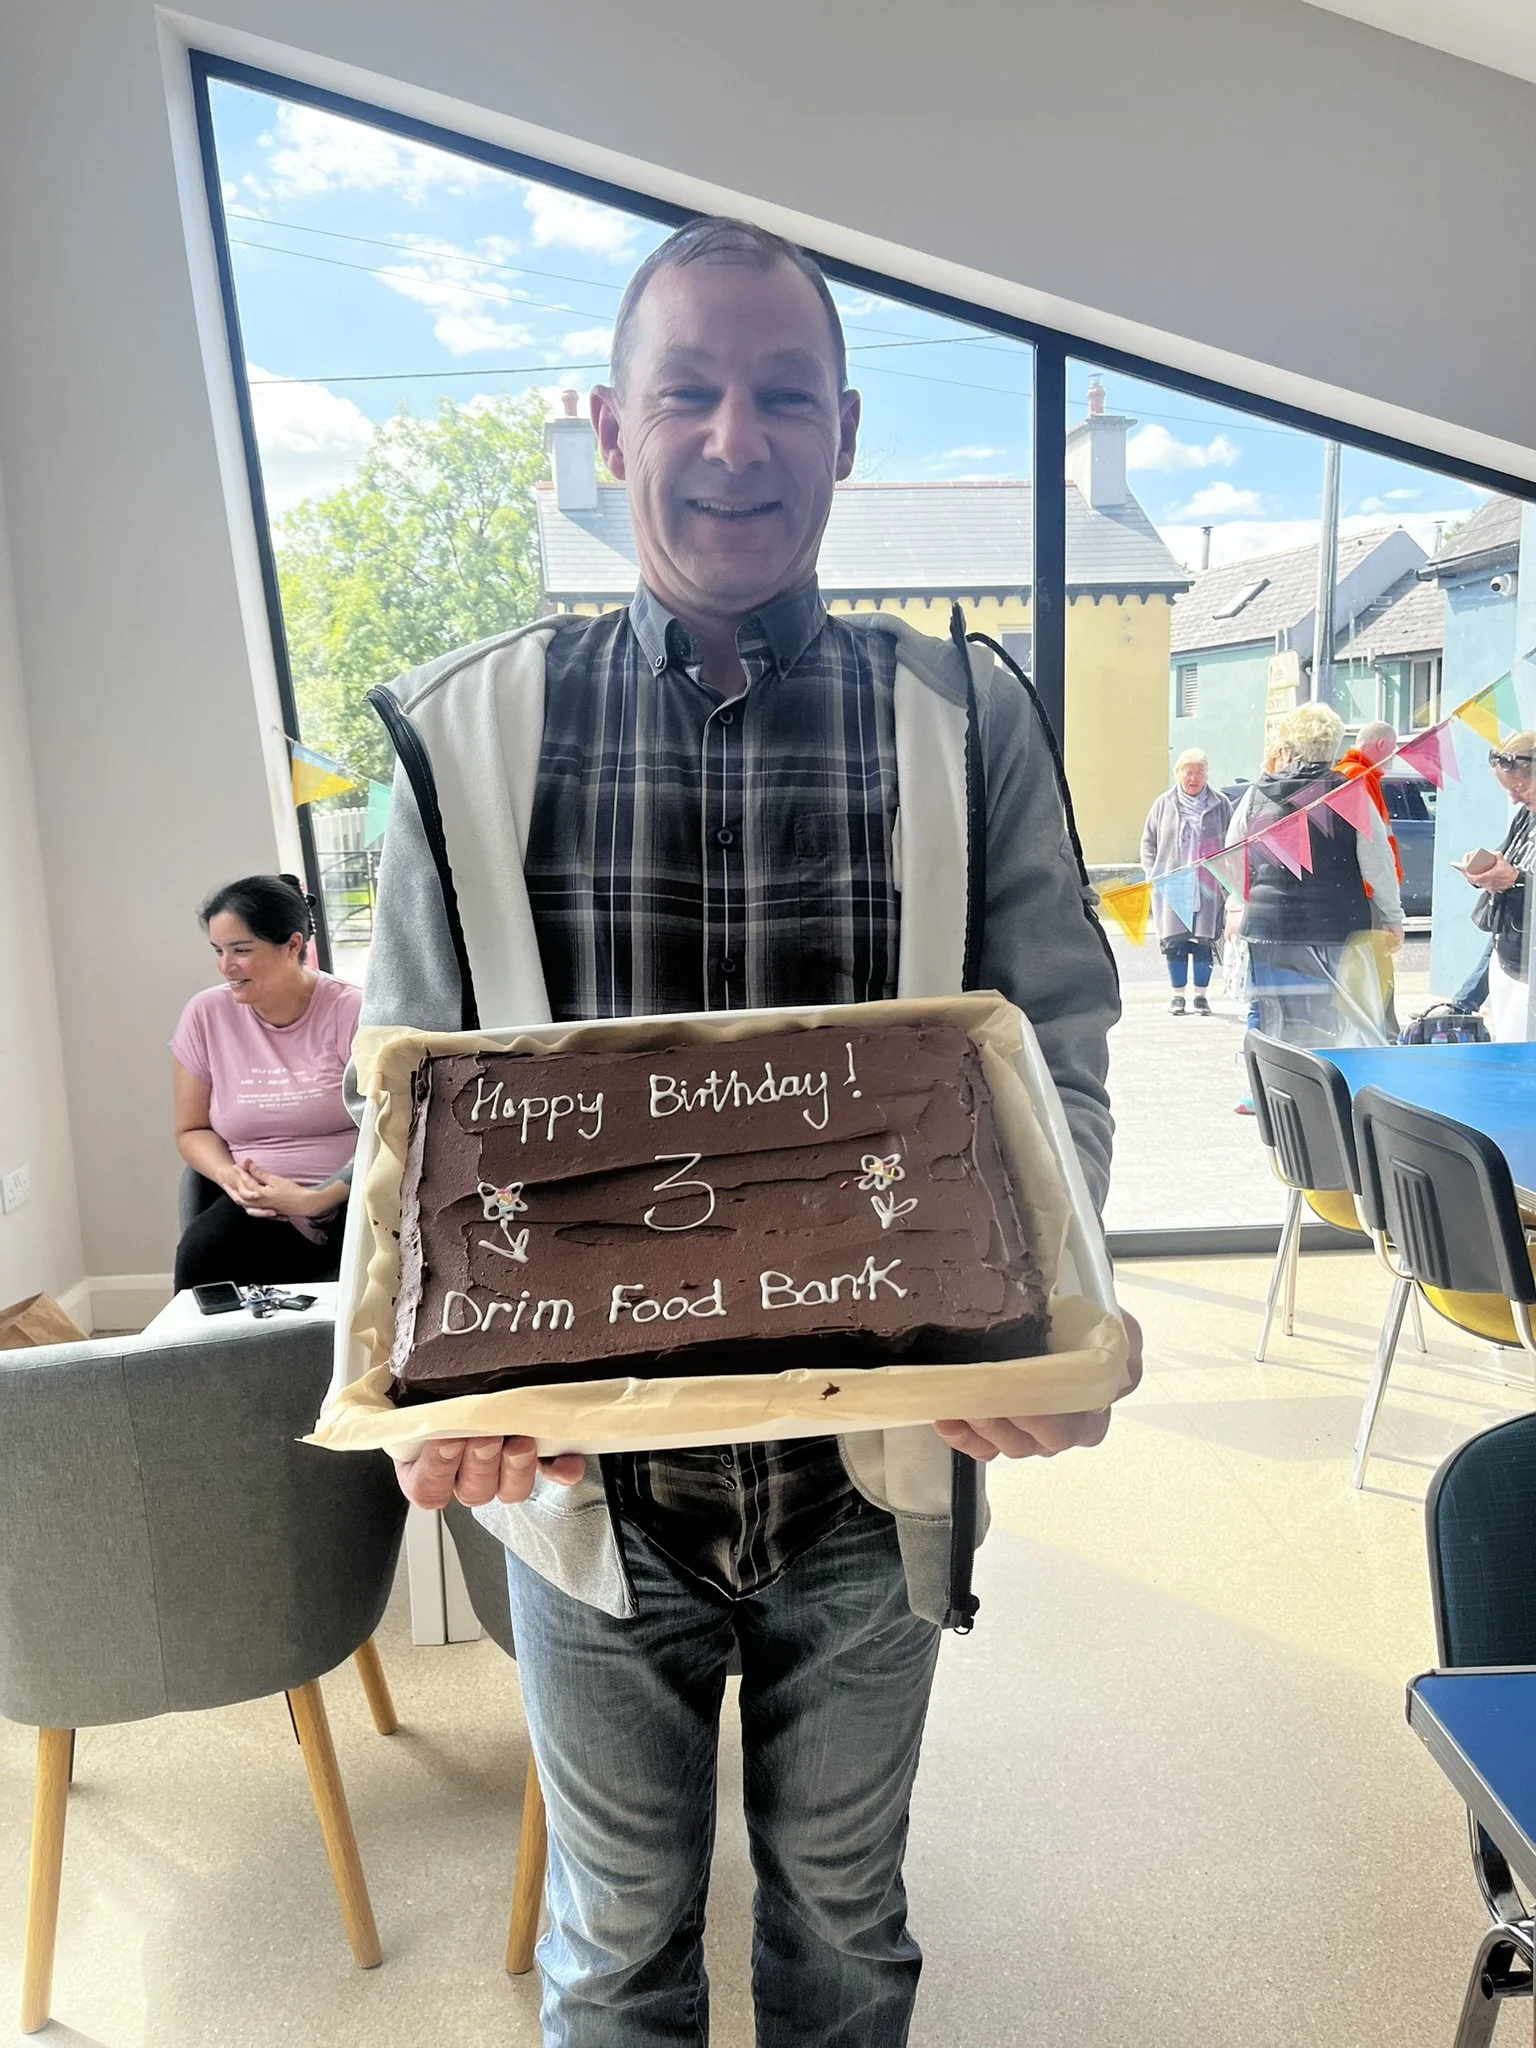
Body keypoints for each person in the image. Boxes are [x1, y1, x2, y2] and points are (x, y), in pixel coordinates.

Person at [360, 216, 1142, 2048]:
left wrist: (1060, 1301)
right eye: (686, 394)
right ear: (613, 435)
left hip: (872, 1484)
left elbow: (1058, 1050)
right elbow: (408, 1129)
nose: (737, 438)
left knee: (848, 1933)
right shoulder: (464, 739)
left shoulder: (968, 718)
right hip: (584, 1489)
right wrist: (422, 1382)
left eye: (783, 394)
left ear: (845, 430)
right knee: (615, 1950)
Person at [171, 873, 362, 1290]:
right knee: (202, 1255)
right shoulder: (205, 1015)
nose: (226, 967)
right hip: (259, 1204)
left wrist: (317, 1198)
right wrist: (230, 1178)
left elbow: (393, 1128)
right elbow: (191, 1129)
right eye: (218, 951)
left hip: (354, 1196)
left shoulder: (352, 1010)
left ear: (292, 945)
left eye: (241, 950)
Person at [1236, 703, 1405, 1049]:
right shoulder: (1350, 792)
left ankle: (1266, 1089)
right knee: (1341, 1021)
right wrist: (1392, 916)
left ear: (1289, 746)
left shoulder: (1256, 794)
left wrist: (1240, 906)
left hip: (1267, 930)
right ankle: (1332, 1092)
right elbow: (1378, 862)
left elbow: (1232, 856)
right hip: (1335, 926)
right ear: (1332, 747)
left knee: (1274, 1019)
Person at [1140, 748, 1232, 1015]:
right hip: (1172, 883)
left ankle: (1201, 996)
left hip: (1208, 884)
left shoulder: (1221, 804)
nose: (1194, 778)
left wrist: (1227, 880)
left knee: (1204, 940)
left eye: (1199, 772)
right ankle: (1177, 995)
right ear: (1178, 773)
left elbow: (1231, 843)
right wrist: (1152, 872)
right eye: (1188, 772)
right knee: (1175, 942)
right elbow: (1148, 841)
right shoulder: (1163, 804)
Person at [1462, 735, 1536, 1040]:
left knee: (1519, 1055)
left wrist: (1515, 879)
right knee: (1506, 1046)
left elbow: (1520, 875)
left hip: (1530, 961)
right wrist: (1485, 867)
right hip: (1509, 949)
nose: (1515, 799)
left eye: (1520, 789)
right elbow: (1511, 859)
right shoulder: (1527, 816)